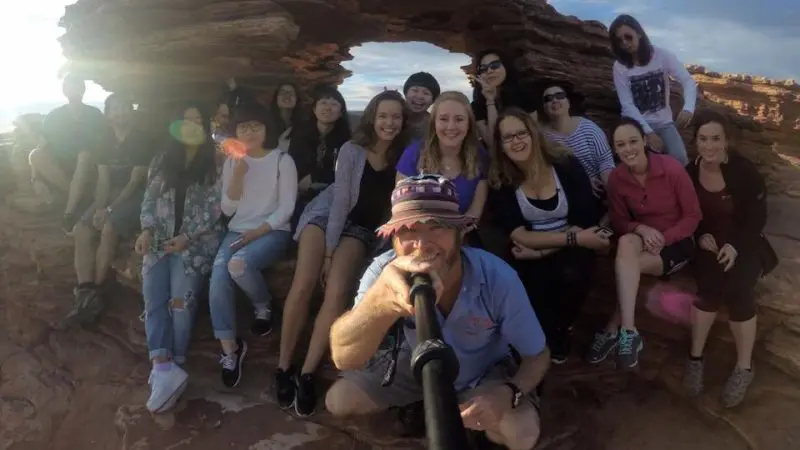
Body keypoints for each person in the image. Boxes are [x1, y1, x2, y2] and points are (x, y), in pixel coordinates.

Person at [324, 174, 550, 450]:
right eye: (409, 230)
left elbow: (538, 355)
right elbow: (343, 357)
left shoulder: (497, 278)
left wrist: (508, 393)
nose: (422, 245)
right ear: (394, 239)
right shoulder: (384, 272)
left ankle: (464, 416)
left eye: (436, 227)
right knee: (339, 400)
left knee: (522, 434)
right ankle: (425, 405)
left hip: (480, 372)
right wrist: (379, 304)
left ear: (460, 233)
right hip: (415, 367)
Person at [275, 90, 410, 417]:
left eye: (395, 116)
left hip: (361, 230)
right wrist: (329, 253)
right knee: (305, 283)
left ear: (403, 121)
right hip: (325, 217)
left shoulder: (404, 157)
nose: (388, 122)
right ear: (372, 117)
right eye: (383, 115)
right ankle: (282, 367)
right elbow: (339, 202)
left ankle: (307, 373)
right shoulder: (352, 150)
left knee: (336, 294)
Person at [488, 107, 607, 364]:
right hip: (534, 247)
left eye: (522, 133)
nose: (517, 141)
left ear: (533, 134)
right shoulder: (503, 180)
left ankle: (561, 331)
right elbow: (518, 235)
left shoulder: (565, 165)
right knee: (520, 278)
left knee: (570, 273)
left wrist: (543, 249)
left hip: (567, 248)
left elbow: (584, 223)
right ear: (501, 146)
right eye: (508, 137)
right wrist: (548, 245)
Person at [587, 118, 701, 370]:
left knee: (627, 268)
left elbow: (694, 216)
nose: (627, 149)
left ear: (645, 141)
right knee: (627, 243)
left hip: (677, 242)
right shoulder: (617, 179)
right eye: (620, 144)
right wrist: (641, 228)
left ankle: (612, 329)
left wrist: (665, 239)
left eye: (632, 141)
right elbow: (619, 219)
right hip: (643, 238)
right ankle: (629, 331)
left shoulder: (671, 169)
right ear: (614, 149)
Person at [134, 102, 223, 414]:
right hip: (159, 242)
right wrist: (145, 230)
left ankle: (177, 362)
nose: (192, 125)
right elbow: (148, 198)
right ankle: (161, 367)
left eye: (198, 119)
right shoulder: (162, 159)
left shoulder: (216, 159)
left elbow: (217, 208)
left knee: (180, 303)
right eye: (186, 120)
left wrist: (189, 237)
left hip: (194, 245)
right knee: (153, 301)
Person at [683, 110, 774, 407]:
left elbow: (756, 217)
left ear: (726, 141)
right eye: (703, 139)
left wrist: (735, 246)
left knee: (737, 290)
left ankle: (744, 367)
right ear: (696, 140)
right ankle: (695, 359)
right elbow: (685, 213)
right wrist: (699, 235)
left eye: (716, 139)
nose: (709, 146)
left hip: (744, 242)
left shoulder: (743, 171)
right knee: (708, 287)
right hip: (708, 244)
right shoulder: (688, 171)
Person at [209, 102, 298, 388]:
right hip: (237, 230)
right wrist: (237, 173)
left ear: (265, 129)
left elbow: (286, 208)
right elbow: (227, 209)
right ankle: (230, 350)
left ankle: (263, 305)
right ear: (235, 132)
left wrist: (257, 232)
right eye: (243, 127)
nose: (249, 132)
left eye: (255, 126)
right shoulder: (232, 162)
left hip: (273, 231)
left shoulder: (282, 160)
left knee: (239, 263)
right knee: (218, 276)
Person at [66, 94, 156, 327]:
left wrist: (108, 209)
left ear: (131, 112)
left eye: (124, 108)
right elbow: (103, 180)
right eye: (115, 109)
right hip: (111, 194)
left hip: (136, 195)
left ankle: (95, 290)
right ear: (107, 115)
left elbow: (135, 181)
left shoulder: (142, 139)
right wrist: (98, 207)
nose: (120, 113)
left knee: (109, 227)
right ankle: (85, 290)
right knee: (82, 229)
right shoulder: (103, 140)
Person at [396, 91, 489, 243]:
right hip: (416, 236)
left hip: (461, 236)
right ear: (434, 123)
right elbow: (402, 211)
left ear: (469, 124)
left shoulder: (480, 156)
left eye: (459, 119)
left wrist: (451, 238)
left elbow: (474, 213)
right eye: (443, 119)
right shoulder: (413, 155)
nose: (451, 126)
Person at [609, 14, 697, 165]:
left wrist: (689, 108)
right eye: (619, 40)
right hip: (636, 124)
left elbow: (687, 81)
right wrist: (648, 132)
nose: (625, 43)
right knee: (641, 165)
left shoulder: (662, 56)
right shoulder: (620, 67)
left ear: (639, 33)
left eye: (628, 37)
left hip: (664, 123)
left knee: (680, 160)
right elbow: (627, 104)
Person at [29, 74, 111, 233]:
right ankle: (78, 197)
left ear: (83, 89)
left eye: (76, 86)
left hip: (89, 167)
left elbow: (106, 143)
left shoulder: (94, 115)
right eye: (68, 87)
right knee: (35, 154)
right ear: (64, 91)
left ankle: (69, 213)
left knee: (84, 155)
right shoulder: (54, 116)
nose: (72, 90)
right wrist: (35, 178)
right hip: (63, 170)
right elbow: (42, 147)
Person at [537, 80, 616, 198]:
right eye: (548, 99)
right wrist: (583, 181)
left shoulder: (588, 128)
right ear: (544, 107)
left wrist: (609, 189)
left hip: (599, 189)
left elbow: (605, 162)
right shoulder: (542, 137)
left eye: (560, 96)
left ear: (568, 102)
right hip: (566, 192)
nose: (554, 100)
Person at [287, 85, 352, 221]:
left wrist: (315, 176)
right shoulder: (300, 136)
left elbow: (345, 172)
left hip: (331, 195)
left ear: (341, 112)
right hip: (298, 194)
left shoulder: (348, 141)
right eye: (323, 103)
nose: (328, 108)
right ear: (314, 109)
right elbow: (292, 165)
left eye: (334, 104)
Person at [470, 49, 537, 147]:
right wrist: (490, 101)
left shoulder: (524, 95)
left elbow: (534, 135)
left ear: (506, 67)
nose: (489, 71)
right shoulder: (477, 105)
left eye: (495, 66)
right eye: (483, 69)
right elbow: (493, 143)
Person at [402, 72, 440, 140]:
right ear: (406, 93)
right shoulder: (393, 117)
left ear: (433, 100)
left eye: (426, 93)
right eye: (415, 90)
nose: (420, 96)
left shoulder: (434, 126)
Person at [266, 82, 302, 151]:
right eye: (283, 93)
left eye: (291, 93)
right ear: (276, 98)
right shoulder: (266, 123)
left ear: (297, 99)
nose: (287, 96)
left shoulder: (304, 125)